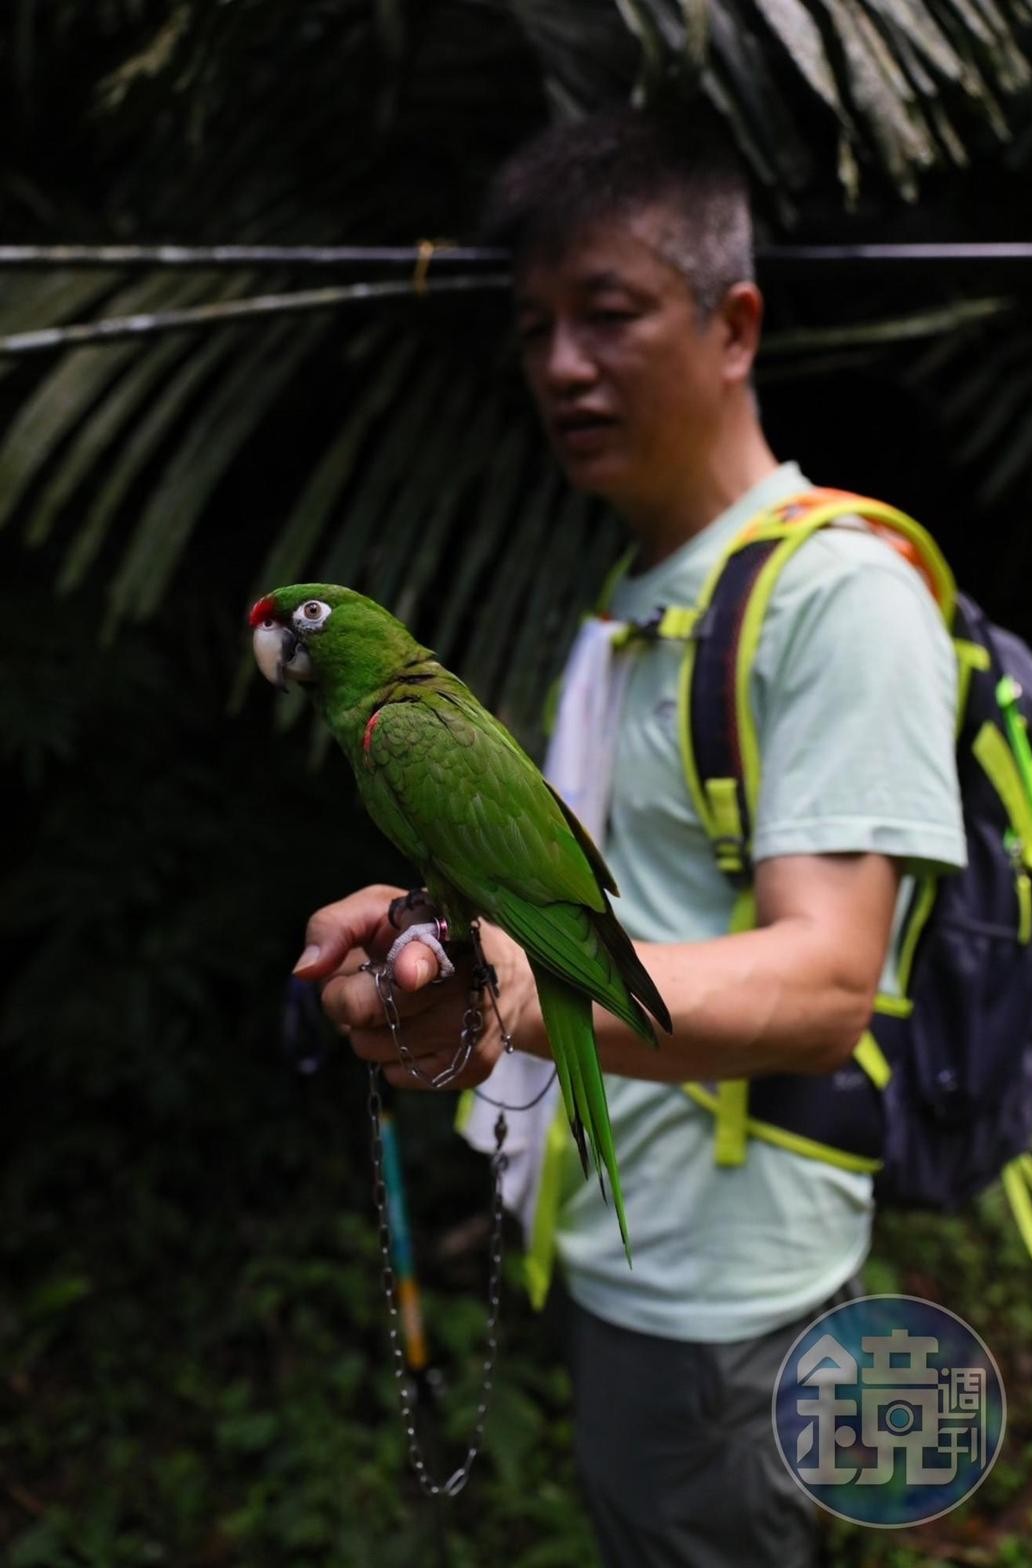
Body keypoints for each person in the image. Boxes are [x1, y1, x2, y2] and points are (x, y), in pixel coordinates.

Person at [293, 108, 966, 1567]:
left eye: (605, 314)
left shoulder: (838, 600)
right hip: (619, 1251)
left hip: (732, 1308)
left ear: (733, 324)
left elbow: (830, 986)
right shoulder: (630, 599)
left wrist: (521, 993)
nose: (558, 365)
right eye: (531, 325)